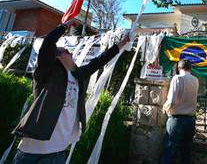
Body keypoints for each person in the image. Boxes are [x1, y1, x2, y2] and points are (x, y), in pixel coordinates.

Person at [12, 21, 129, 164]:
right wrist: (65, 26)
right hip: (32, 152)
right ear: (58, 57)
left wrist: (122, 44)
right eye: (66, 51)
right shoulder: (46, 74)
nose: (71, 53)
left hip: (59, 152)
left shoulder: (78, 75)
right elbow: (48, 44)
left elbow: (100, 60)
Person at [162, 59, 199, 164]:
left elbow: (172, 101)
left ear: (178, 68)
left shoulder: (177, 78)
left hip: (177, 120)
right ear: (190, 69)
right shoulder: (195, 80)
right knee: (185, 153)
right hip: (190, 120)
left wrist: (165, 108)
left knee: (170, 152)